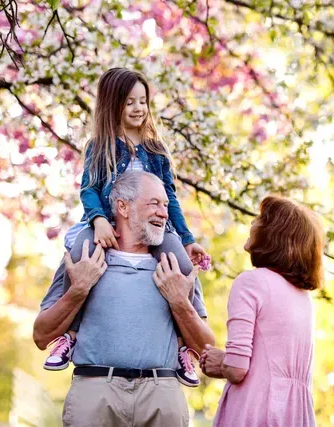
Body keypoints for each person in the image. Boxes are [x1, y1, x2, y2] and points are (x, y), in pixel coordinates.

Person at [42, 67, 209, 388]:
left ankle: (181, 345)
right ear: (113, 104)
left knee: (183, 265)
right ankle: (69, 335)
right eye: (130, 102)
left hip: (152, 227)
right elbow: (89, 189)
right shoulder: (100, 146)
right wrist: (99, 220)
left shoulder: (156, 150)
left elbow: (169, 196)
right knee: (78, 254)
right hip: (105, 221)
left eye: (143, 101)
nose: (138, 108)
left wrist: (186, 238)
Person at [34, 171, 215, 426]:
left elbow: (207, 349)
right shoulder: (83, 259)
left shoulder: (176, 266)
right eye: (153, 203)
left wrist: (179, 302)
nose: (164, 213)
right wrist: (79, 289)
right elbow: (41, 336)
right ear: (123, 207)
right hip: (95, 393)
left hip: (161, 395)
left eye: (165, 205)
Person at [200, 196, 323, 427]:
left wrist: (219, 361)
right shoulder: (303, 297)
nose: (252, 224)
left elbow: (236, 369)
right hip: (294, 415)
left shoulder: (251, 283)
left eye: (259, 219)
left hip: (255, 411)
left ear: (274, 233)